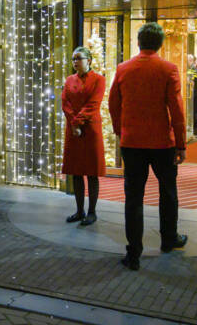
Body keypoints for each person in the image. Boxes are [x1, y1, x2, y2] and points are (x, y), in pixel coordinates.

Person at [109, 22, 188, 272]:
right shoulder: (168, 69)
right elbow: (176, 109)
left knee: (133, 197)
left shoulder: (123, 69)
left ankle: (133, 252)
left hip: (132, 142)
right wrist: (181, 143)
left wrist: (120, 130)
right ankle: (168, 238)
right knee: (167, 191)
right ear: (160, 43)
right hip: (161, 142)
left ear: (139, 42)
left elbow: (113, 103)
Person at [61, 47, 105, 226]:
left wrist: (78, 122)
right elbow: (65, 102)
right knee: (76, 171)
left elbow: (94, 104)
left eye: (79, 58)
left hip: (90, 129)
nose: (75, 62)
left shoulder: (98, 80)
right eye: (73, 59)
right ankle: (79, 211)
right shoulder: (69, 80)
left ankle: (92, 212)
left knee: (92, 172)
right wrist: (73, 122)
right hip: (73, 130)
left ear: (89, 60)